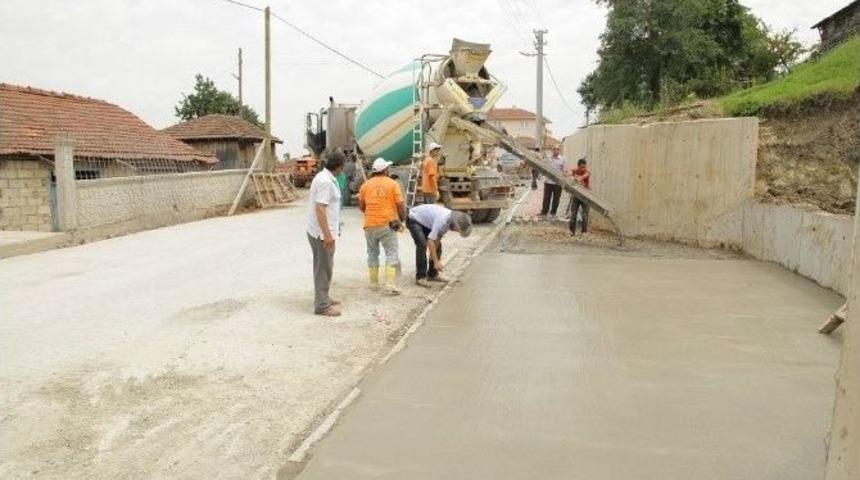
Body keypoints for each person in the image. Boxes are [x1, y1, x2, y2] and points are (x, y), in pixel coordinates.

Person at [358, 157, 406, 295]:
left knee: (372, 253)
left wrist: (370, 213)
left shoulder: (365, 185)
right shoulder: (392, 184)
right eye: (387, 168)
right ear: (385, 170)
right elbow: (400, 204)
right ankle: (390, 283)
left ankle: (373, 283)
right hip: (387, 224)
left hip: (369, 225)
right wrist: (402, 219)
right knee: (391, 253)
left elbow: (361, 206)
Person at [307, 150, 345, 317]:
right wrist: (327, 235)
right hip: (322, 234)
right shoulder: (325, 182)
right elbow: (320, 209)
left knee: (325, 266)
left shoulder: (325, 177)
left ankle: (324, 297)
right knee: (323, 268)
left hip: (323, 231)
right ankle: (322, 305)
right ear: (339, 166)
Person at [406, 204, 472, 287]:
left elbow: (438, 238)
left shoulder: (448, 222)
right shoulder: (442, 220)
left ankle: (432, 274)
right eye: (458, 230)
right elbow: (430, 240)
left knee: (438, 246)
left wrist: (432, 256)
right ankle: (420, 277)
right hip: (413, 219)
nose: (457, 232)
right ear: (455, 224)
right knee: (422, 244)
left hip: (425, 222)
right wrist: (436, 261)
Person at [540, 145, 567, 218]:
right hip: (548, 182)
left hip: (557, 183)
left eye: (557, 149)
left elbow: (564, 170)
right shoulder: (548, 159)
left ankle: (553, 213)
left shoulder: (562, 159)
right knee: (546, 198)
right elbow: (543, 166)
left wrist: (564, 177)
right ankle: (544, 212)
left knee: (556, 199)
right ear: (552, 150)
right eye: (554, 149)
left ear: (559, 150)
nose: (556, 150)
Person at [569, 158, 591, 235]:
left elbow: (583, 176)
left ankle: (584, 232)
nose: (583, 169)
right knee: (573, 214)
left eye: (584, 167)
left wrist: (576, 179)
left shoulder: (587, 172)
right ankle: (571, 231)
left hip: (585, 196)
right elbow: (569, 171)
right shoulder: (575, 170)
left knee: (585, 215)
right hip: (576, 195)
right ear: (578, 166)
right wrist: (571, 176)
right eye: (582, 167)